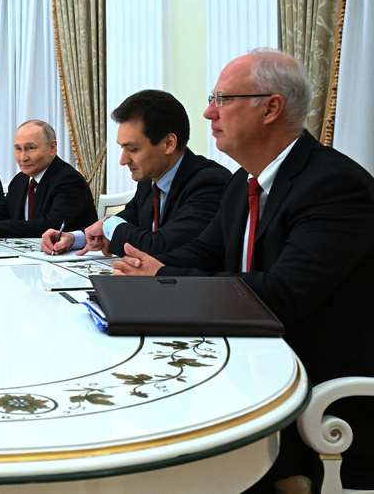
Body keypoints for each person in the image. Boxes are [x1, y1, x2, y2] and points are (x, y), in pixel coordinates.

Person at [113, 51, 374, 490]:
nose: (208, 111)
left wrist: (162, 281)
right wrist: (155, 270)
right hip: (252, 367)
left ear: (270, 108)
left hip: (318, 397)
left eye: (222, 98)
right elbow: (203, 252)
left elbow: (282, 294)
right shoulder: (243, 181)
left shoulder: (333, 185)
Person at [42, 90, 230, 256]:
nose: (123, 160)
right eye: (122, 149)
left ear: (168, 143)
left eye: (132, 149)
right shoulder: (150, 180)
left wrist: (108, 225)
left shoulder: (209, 183)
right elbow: (128, 219)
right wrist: (76, 238)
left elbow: (161, 247)